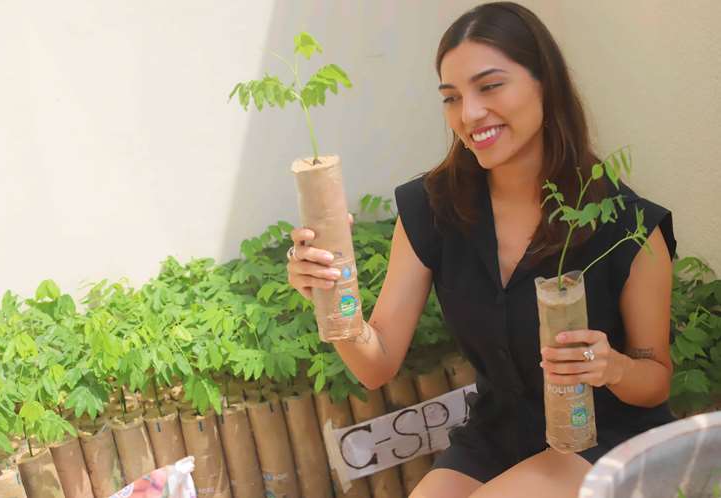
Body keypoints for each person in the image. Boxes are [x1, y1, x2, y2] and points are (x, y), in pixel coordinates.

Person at [286, 2, 676, 497]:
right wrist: (329, 293)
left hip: (604, 439)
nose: (469, 114)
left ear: (545, 83)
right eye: (451, 98)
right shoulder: (434, 209)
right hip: (498, 437)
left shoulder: (627, 225)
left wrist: (612, 366)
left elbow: (656, 379)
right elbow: (376, 364)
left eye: (490, 86)